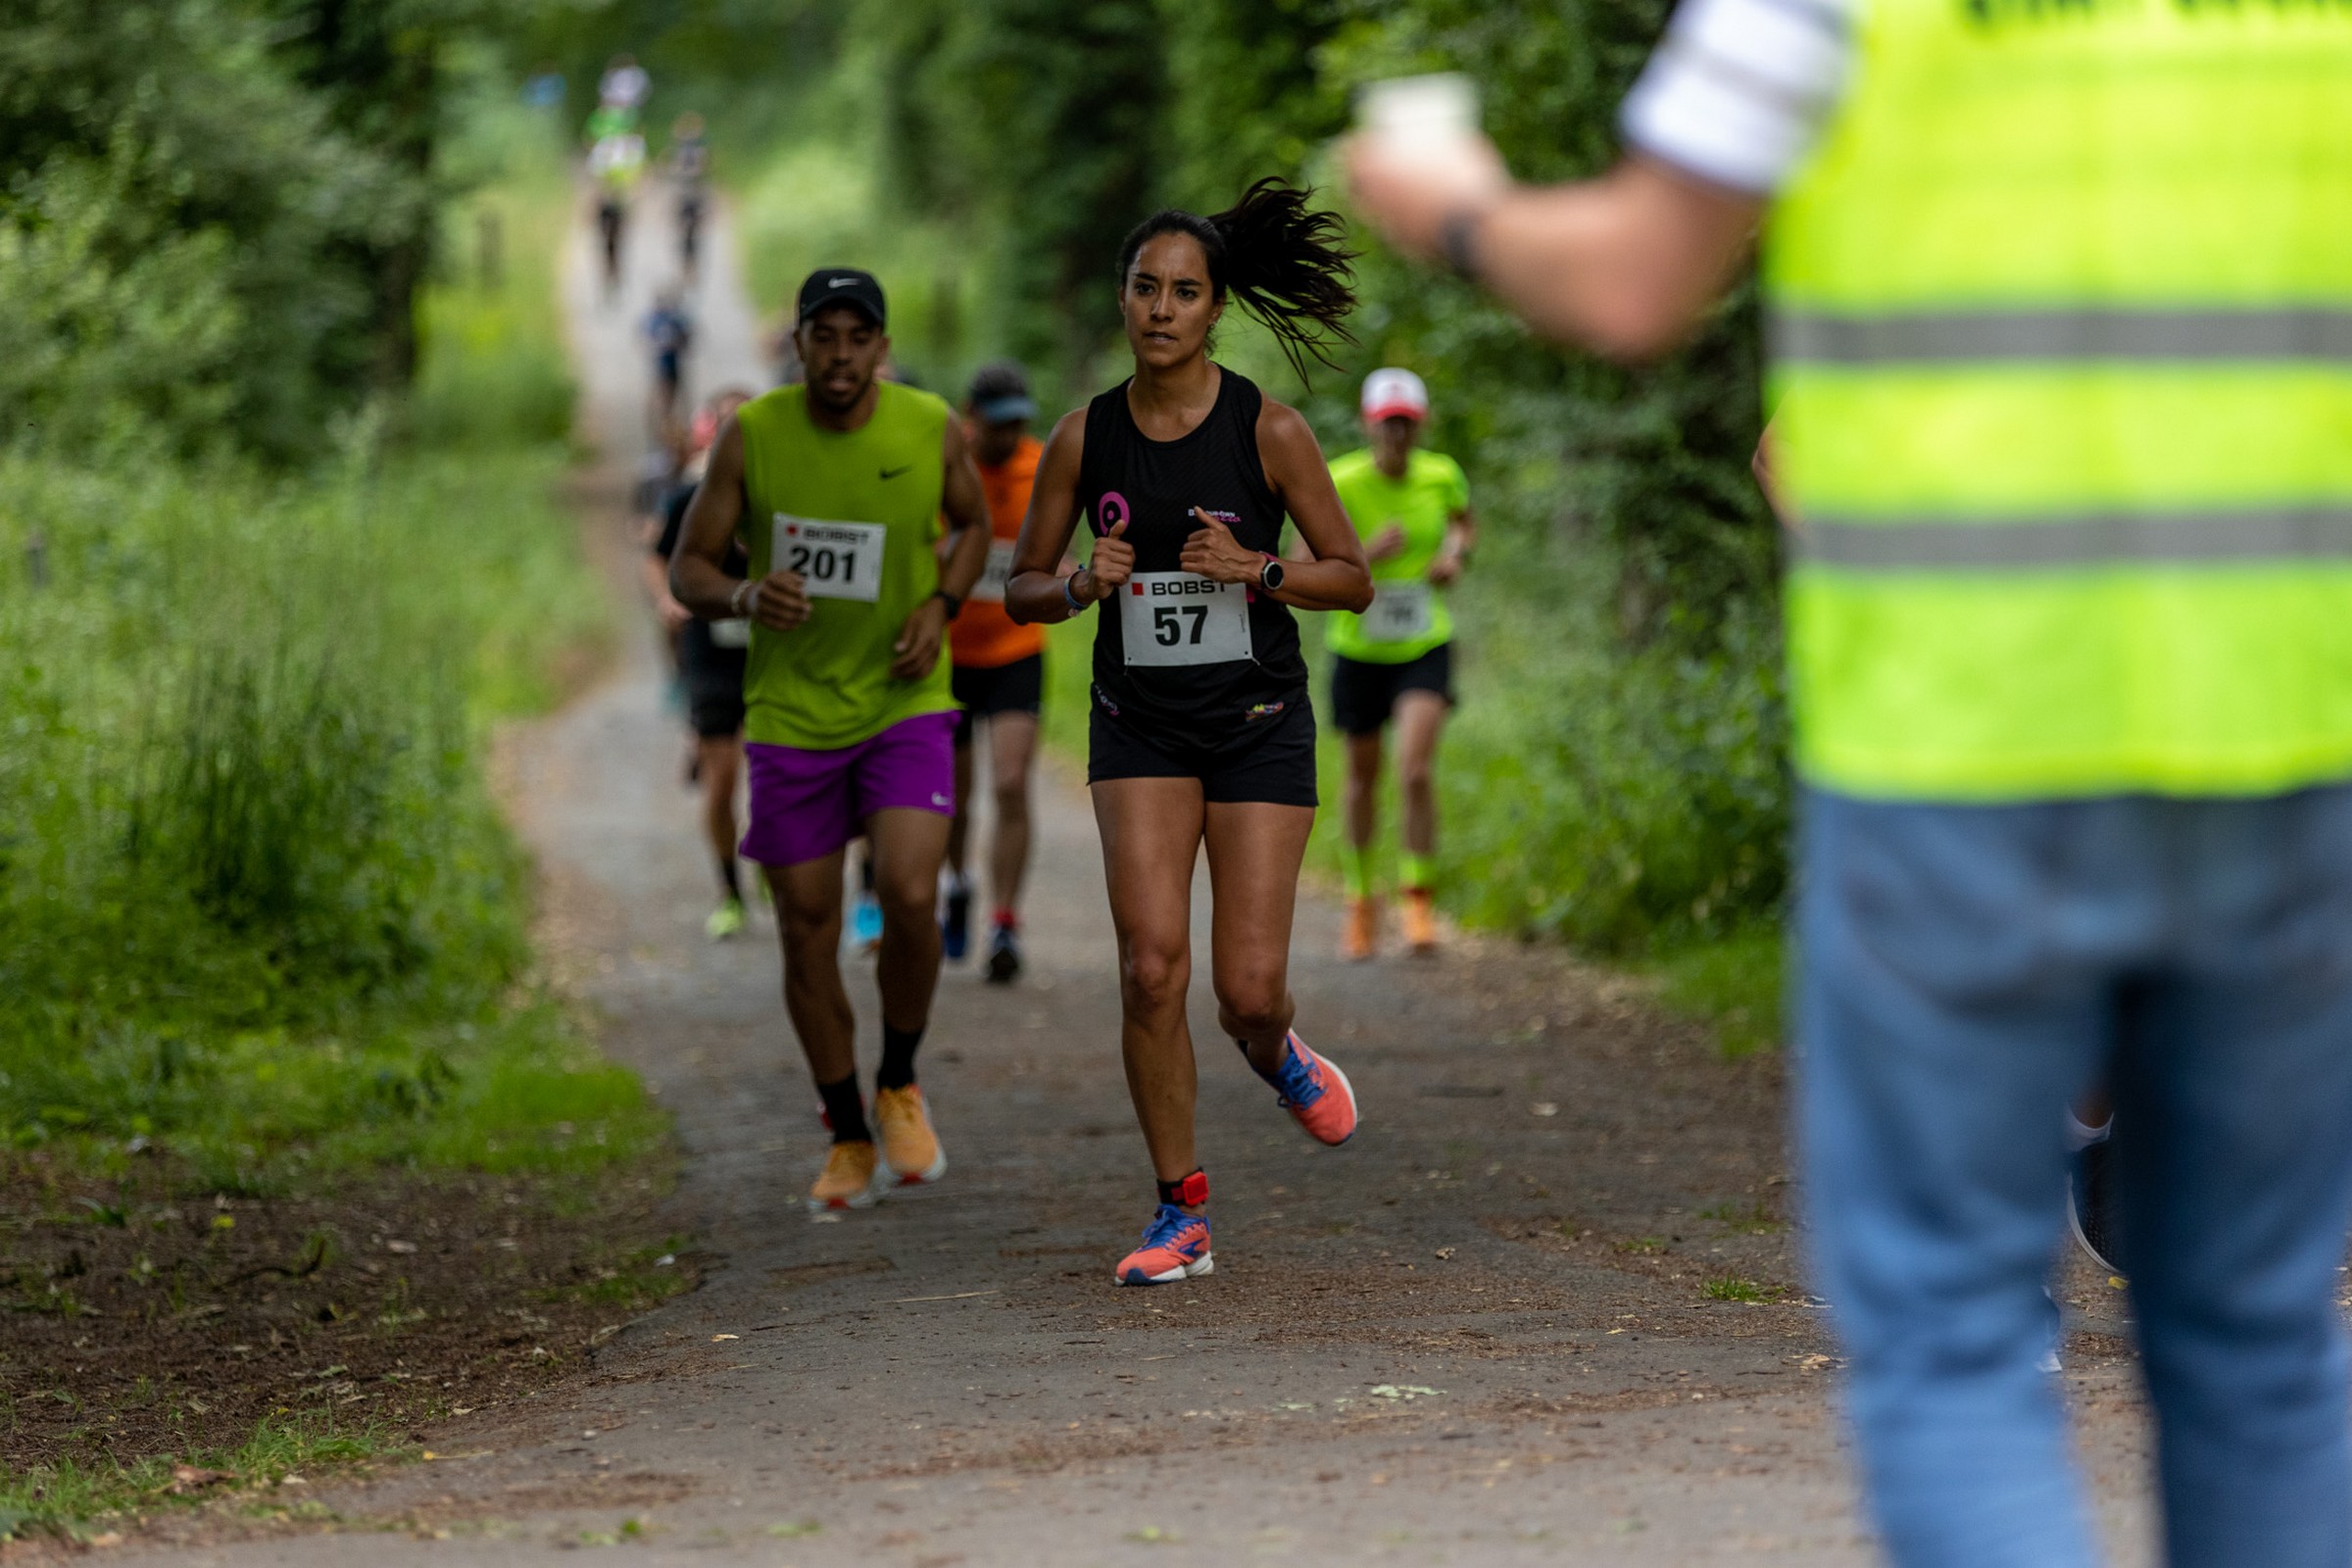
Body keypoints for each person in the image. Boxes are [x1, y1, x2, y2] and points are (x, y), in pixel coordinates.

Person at [1352, 11, 2352, 1567]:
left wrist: (1452, 200)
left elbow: (1631, 279)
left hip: (1963, 746)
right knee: (2262, 1348)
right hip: (2275, 735)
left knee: (1958, 1353)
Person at [1005, 179, 1375, 1287]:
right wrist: (1080, 584)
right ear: (1123, 299)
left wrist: (1258, 569)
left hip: (1258, 725)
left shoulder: (1269, 429)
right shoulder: (1085, 437)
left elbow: (1352, 578)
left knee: (1245, 991)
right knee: (1149, 966)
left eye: (1184, 292)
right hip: (1141, 729)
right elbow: (1021, 586)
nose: (1161, 309)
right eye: (1145, 288)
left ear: (1215, 309)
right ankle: (1182, 1212)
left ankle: (1279, 1051)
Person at [671, 268, 992, 1212]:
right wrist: (743, 594)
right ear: (799, 343)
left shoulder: (929, 425)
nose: (842, 355)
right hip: (791, 714)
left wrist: (941, 603)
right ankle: (847, 1130)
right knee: (806, 925)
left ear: (882, 348)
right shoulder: (753, 433)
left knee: (908, 889)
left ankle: (899, 1079)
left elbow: (975, 525)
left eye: (859, 337)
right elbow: (689, 566)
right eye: (825, 335)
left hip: (904, 699)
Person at [1308, 367, 1474, 961]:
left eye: (1406, 423)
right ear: (1368, 424)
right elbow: (1301, 561)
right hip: (1357, 649)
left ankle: (1417, 900)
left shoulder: (1442, 474)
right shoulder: (1340, 481)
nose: (1396, 435)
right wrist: (1364, 554)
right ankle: (1360, 901)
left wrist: (1454, 556)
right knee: (1362, 780)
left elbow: (1462, 523)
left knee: (1415, 772)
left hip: (1424, 643)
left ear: (1421, 426)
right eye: (1387, 423)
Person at [942, 361, 1063, 984]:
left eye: (1017, 423)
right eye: (997, 424)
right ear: (972, 417)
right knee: (954, 797)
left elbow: (1063, 548)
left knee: (1011, 783)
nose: (1008, 435)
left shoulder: (1041, 466)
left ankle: (1005, 921)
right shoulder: (944, 465)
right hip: (948, 654)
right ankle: (958, 882)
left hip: (1016, 649)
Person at [647, 388, 758, 940]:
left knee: (778, 775)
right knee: (724, 780)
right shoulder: (690, 498)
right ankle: (730, 890)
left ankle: (781, 865)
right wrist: (666, 598)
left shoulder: (782, 500)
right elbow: (657, 557)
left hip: (771, 654)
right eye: (726, 427)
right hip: (710, 653)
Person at [587, 129, 645, 298]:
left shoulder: (623, 157)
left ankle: (614, 276)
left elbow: (633, 182)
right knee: (608, 243)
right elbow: (595, 183)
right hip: (607, 205)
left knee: (616, 243)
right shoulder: (602, 156)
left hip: (618, 205)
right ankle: (610, 275)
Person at [644, 286, 694, 430]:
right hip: (663, 364)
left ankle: (669, 423)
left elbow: (686, 336)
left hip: (671, 362)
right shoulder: (659, 319)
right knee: (663, 394)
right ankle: (662, 424)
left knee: (671, 394)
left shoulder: (673, 319)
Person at [669, 113, 710, 283]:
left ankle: (691, 268)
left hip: (693, 196)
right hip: (685, 196)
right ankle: (686, 269)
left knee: (693, 233)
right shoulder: (681, 150)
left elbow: (701, 168)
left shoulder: (697, 150)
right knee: (684, 233)